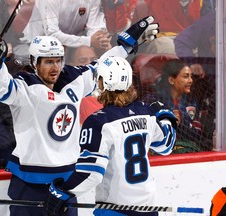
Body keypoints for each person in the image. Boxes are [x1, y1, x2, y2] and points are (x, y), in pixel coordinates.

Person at [0, 16, 159, 216]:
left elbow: (102, 65)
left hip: (65, 183)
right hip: (30, 182)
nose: (55, 67)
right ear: (33, 62)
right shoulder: (24, 87)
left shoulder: (74, 79)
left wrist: (125, 46)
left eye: (58, 60)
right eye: (48, 62)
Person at [43, 56, 177, 216]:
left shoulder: (98, 122)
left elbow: (91, 173)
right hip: (148, 209)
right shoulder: (145, 112)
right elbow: (166, 145)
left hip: (115, 211)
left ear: (103, 83)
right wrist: (165, 116)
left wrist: (63, 191)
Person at [14, 0, 112, 63]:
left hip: (72, 45)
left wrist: (100, 39)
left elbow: (93, 27)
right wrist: (89, 41)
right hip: (34, 45)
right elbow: (52, 35)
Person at [142, 58, 203, 153]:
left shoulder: (191, 102)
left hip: (188, 153)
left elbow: (198, 135)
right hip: (160, 154)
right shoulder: (153, 100)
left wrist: (182, 123)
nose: (191, 80)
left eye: (191, 76)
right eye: (186, 76)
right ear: (171, 80)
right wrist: (167, 121)